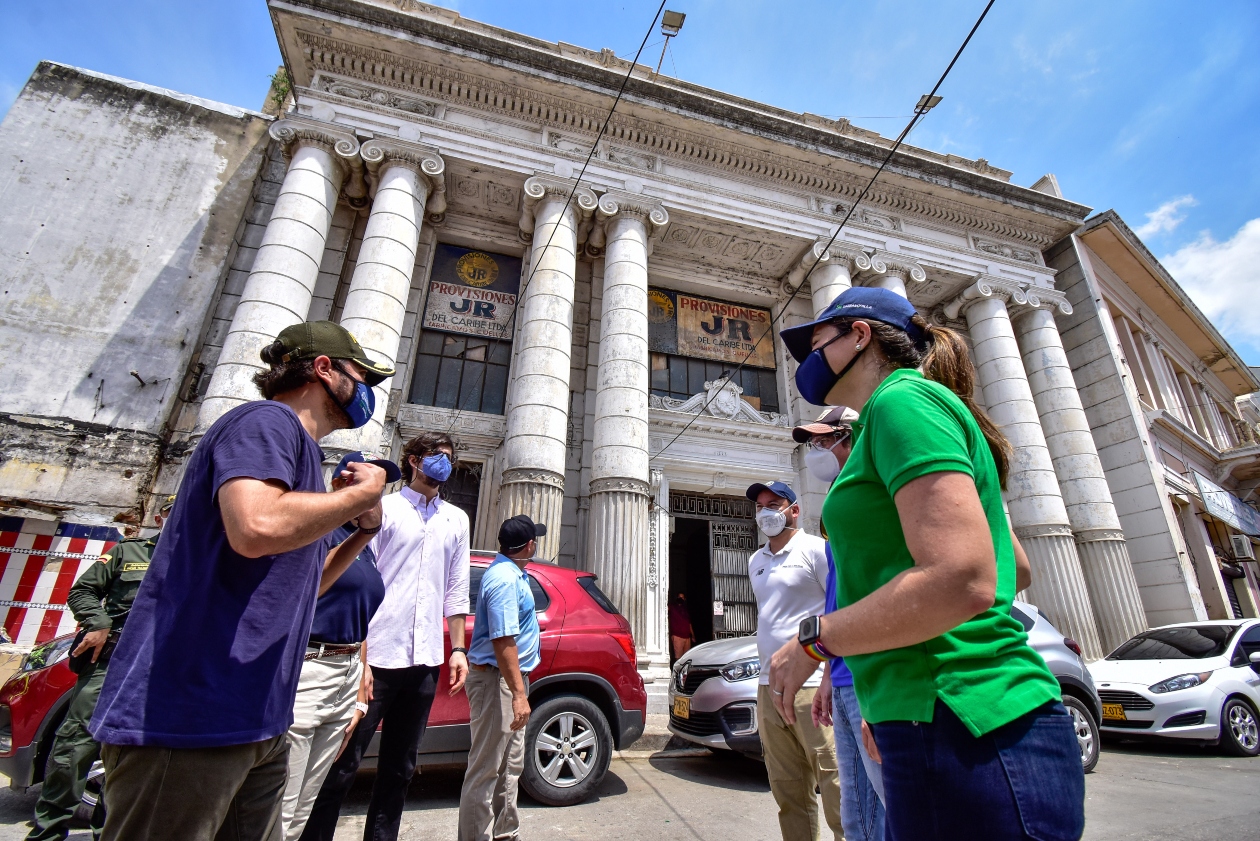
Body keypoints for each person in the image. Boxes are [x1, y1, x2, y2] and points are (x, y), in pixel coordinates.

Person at [769, 286, 1085, 841]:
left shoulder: (902, 401)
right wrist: (882, 694)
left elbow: (963, 577)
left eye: (817, 342)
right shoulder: (889, 419)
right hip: (925, 713)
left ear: (859, 335)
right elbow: (1015, 566)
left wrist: (813, 641)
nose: (807, 360)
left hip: (970, 721)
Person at [88, 320, 393, 841]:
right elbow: (256, 527)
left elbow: (307, 584)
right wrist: (360, 497)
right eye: (361, 376)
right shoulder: (266, 422)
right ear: (324, 369)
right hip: (190, 721)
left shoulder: (298, 456)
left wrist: (362, 533)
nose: (366, 392)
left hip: (256, 720)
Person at [300, 432, 470, 841]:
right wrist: (361, 654)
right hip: (376, 656)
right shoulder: (385, 509)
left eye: (449, 457)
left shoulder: (457, 519)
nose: (443, 463)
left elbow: (456, 588)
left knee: (401, 768)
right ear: (413, 460)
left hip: (425, 658)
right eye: (435, 455)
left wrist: (459, 648)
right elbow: (358, 578)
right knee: (342, 764)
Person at [24, 496, 173, 841]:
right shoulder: (128, 552)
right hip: (112, 661)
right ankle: (48, 831)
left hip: (160, 670)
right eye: (170, 513)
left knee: (132, 756)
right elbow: (83, 591)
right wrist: (97, 621)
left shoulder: (199, 560)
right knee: (74, 746)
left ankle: (107, 832)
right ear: (158, 517)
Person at [279, 452, 400, 839]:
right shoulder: (316, 531)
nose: (377, 497)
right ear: (343, 486)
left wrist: (361, 675)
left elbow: (359, 618)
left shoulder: (363, 544)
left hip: (344, 673)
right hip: (308, 669)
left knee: (303, 806)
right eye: (370, 486)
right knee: (281, 802)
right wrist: (362, 531)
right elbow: (308, 586)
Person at [796, 407, 886, 841]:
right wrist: (831, 671)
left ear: (847, 438)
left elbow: (885, 592)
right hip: (847, 676)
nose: (814, 452)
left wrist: (879, 691)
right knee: (858, 820)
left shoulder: (876, 492)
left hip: (876, 680)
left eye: (820, 441)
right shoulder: (839, 501)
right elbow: (843, 595)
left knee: (896, 810)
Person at [745, 480, 842, 841]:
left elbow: (838, 611)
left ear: (794, 510)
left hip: (813, 685)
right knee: (787, 788)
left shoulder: (817, 551)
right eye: (760, 507)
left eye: (774, 504)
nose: (766, 512)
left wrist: (832, 673)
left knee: (835, 783)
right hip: (769, 687)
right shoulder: (756, 560)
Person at [456, 514, 545, 841]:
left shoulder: (514, 574)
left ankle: (507, 833)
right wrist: (519, 693)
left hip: (509, 680)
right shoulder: (504, 580)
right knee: (486, 770)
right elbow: (503, 640)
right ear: (530, 545)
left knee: (510, 766)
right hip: (499, 682)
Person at [668, 593, 694, 661]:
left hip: (687, 637)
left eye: (682, 597)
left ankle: (684, 671)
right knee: (678, 657)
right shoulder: (672, 607)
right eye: (679, 597)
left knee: (686, 657)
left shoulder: (685, 610)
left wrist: (693, 635)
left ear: (685, 599)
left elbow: (689, 623)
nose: (680, 599)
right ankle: (678, 671)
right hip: (677, 636)